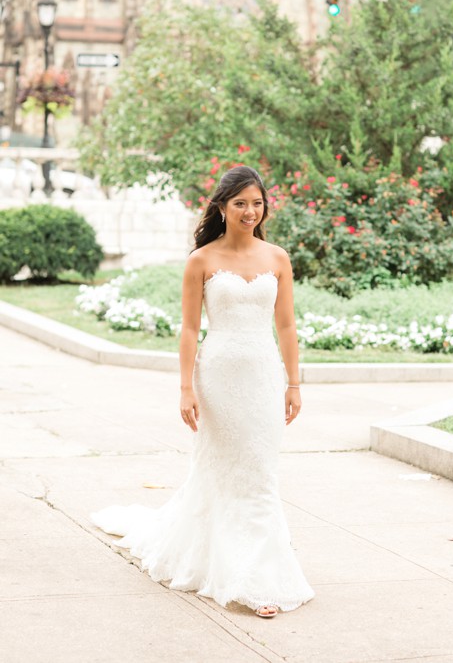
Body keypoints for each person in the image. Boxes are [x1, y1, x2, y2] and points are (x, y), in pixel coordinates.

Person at [91, 165, 314, 619]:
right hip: (218, 380)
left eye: (257, 202)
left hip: (265, 377)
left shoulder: (277, 258)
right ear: (222, 207)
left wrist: (294, 382)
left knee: (260, 471)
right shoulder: (202, 260)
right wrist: (185, 389)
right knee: (226, 470)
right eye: (240, 203)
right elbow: (190, 329)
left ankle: (259, 568)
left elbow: (286, 325)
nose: (250, 211)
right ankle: (252, 580)